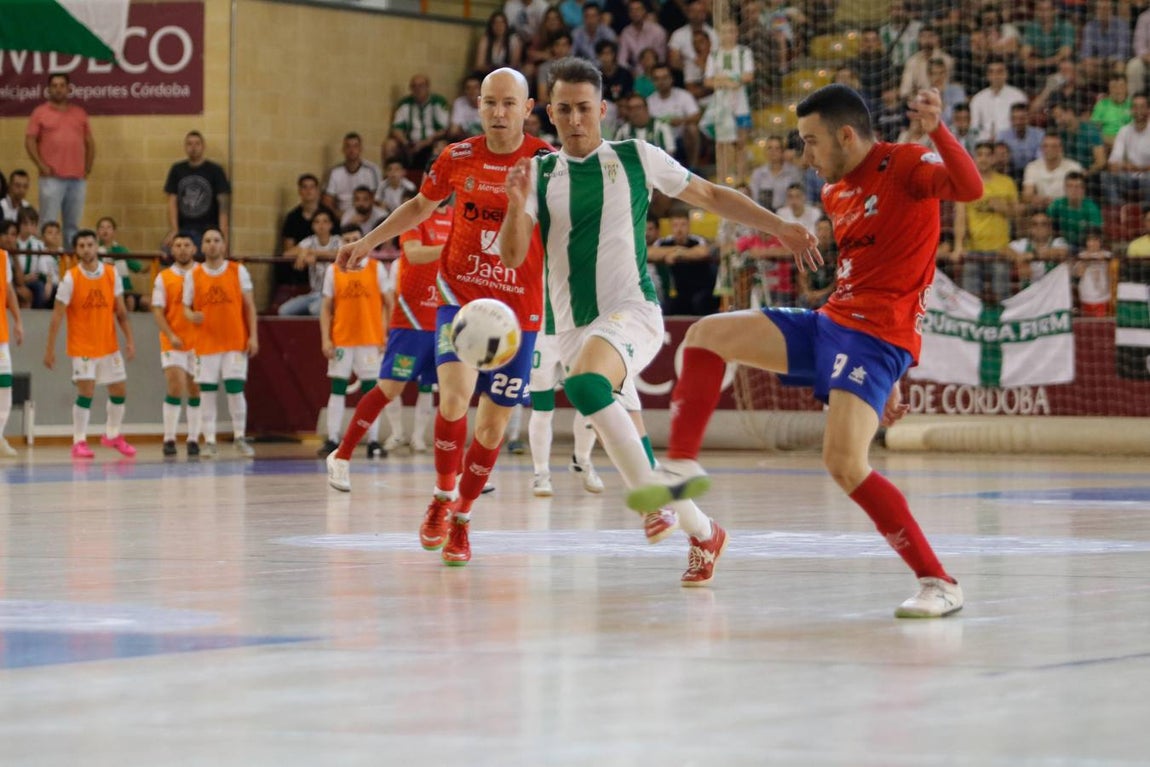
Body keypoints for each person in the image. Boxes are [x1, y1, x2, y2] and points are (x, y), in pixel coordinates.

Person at [626, 83, 983, 615]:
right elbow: (872, 271)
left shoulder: (906, 164)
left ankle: (939, 582)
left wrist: (939, 131)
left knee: (844, 463)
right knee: (705, 335)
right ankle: (679, 466)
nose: (805, 156)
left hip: (877, 337)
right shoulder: (836, 194)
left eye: (811, 142)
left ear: (846, 135)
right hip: (831, 322)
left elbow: (970, 189)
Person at [499, 56, 818, 586]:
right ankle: (705, 533)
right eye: (564, 109)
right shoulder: (537, 173)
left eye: (584, 108)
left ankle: (653, 502)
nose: (574, 119)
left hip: (632, 312)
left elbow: (710, 195)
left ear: (602, 109)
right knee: (626, 433)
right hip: (573, 328)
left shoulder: (635, 156)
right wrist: (514, 204)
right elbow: (512, 257)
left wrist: (778, 226)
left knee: (584, 385)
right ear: (549, 114)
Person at [328, 68, 550, 568]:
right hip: (461, 296)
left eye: (508, 103)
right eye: (489, 102)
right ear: (478, 106)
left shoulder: (547, 163)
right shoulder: (458, 156)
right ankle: (442, 496)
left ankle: (463, 518)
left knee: (491, 428)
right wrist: (367, 243)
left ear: (527, 108)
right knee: (452, 399)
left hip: (519, 310)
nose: (498, 112)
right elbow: (419, 206)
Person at [43, 229, 137, 459]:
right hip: (82, 346)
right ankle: (79, 441)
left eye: (90, 244)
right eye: (81, 246)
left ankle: (112, 434)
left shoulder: (111, 273)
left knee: (119, 390)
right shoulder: (70, 278)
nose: (86, 249)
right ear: (76, 250)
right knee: (86, 392)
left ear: (97, 247)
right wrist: (50, 349)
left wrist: (129, 340)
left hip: (109, 344)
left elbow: (121, 312)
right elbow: (57, 316)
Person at [182, 229, 258, 458]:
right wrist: (191, 315)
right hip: (206, 343)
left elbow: (249, 306)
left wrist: (253, 336)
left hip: (234, 341)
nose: (212, 244)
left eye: (216, 240)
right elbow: (185, 307)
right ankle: (210, 441)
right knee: (207, 393)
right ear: (202, 246)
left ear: (223, 245)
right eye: (207, 241)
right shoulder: (193, 275)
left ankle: (239, 437)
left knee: (235, 391)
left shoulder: (237, 270)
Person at [317, 228, 390, 459]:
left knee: (372, 391)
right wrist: (326, 338)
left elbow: (389, 303)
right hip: (342, 338)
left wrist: (385, 334)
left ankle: (373, 441)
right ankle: (332, 438)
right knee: (337, 388)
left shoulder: (377, 268)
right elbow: (326, 308)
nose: (352, 243)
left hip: (370, 338)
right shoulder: (333, 270)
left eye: (355, 239)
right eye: (347, 240)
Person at [24, 73, 93, 246]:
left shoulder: (79, 113)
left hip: (77, 179)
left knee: (72, 226)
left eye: (62, 85)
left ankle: (69, 260)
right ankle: (45, 260)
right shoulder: (40, 113)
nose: (58, 89)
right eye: (54, 85)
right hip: (51, 178)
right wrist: (41, 165)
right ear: (48, 89)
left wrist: (87, 168)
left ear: (69, 89)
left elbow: (90, 143)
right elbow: (30, 141)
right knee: (47, 223)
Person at [151, 232, 202, 457]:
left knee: (195, 389)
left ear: (194, 249)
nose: (182, 249)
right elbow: (158, 311)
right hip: (173, 341)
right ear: (172, 250)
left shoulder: (203, 274)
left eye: (186, 245)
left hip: (199, 343)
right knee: (175, 385)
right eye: (178, 245)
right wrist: (170, 334)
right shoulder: (164, 277)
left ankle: (193, 438)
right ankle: (169, 438)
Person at [954, 142, 1020, 303]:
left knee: (1002, 298)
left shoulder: (1007, 182)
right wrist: (958, 246)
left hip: (1000, 250)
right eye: (980, 155)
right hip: (973, 249)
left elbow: (1017, 215)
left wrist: (1003, 208)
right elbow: (960, 217)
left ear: (994, 158)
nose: (983, 159)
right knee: (970, 299)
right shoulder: (966, 183)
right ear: (974, 158)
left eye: (987, 155)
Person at [163, 131, 231, 250]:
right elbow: (172, 201)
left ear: (203, 146)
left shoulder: (215, 170)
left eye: (197, 144)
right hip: (183, 229)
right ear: (185, 147)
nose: (193, 147)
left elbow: (223, 206)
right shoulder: (177, 170)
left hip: (208, 230)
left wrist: (223, 235)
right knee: (166, 250)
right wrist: (174, 229)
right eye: (189, 144)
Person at [647, 208, 717, 316]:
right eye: (675, 225)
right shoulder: (663, 242)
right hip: (675, 292)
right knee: (666, 306)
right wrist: (676, 250)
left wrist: (678, 255)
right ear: (671, 227)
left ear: (689, 226)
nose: (679, 230)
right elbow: (650, 253)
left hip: (698, 290)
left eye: (683, 225)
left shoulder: (697, 240)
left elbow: (703, 252)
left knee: (700, 302)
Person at [278, 210, 340, 317]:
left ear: (331, 225)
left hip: (332, 294)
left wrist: (312, 253)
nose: (321, 225)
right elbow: (287, 254)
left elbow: (338, 253)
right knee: (284, 311)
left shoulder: (337, 240)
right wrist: (303, 253)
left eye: (325, 221)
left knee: (315, 310)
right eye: (317, 222)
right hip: (314, 293)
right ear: (312, 226)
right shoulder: (310, 241)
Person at [386, 74, 450, 171]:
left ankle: (438, 176)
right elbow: (396, 129)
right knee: (389, 145)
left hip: (431, 142)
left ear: (428, 87)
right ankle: (391, 176)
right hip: (410, 143)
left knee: (441, 146)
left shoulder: (438, 102)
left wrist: (424, 143)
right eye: (414, 86)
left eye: (421, 86)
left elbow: (443, 130)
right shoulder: (405, 104)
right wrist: (405, 143)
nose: (417, 89)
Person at [0, 231, 25, 457]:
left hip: (1, 335)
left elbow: (8, 291)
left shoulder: (3, 257)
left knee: (5, 385)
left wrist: (18, 321)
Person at [323, 133, 382, 217]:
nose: (352, 150)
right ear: (343, 149)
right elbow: (327, 201)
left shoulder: (371, 171)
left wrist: (364, 217)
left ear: (360, 149)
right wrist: (341, 216)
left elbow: (376, 199)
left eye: (355, 146)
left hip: (366, 214)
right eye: (348, 146)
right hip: (341, 215)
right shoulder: (335, 172)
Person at [96, 216, 147, 312]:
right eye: (102, 227)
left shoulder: (121, 250)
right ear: (98, 232)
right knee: (129, 301)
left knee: (147, 301)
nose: (105, 230)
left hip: (125, 290)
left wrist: (155, 264)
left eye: (108, 227)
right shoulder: (94, 251)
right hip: (105, 290)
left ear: (114, 232)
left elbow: (138, 268)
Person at [1073, 229, 1113, 316]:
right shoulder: (1081, 256)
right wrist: (1085, 261)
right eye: (1090, 240)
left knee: (1103, 323)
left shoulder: (1107, 255)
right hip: (1086, 298)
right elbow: (1079, 274)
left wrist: (1104, 260)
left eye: (1096, 240)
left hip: (1104, 298)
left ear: (1101, 241)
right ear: (1086, 242)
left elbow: (1113, 274)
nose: (1093, 243)